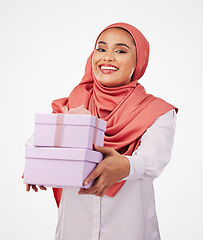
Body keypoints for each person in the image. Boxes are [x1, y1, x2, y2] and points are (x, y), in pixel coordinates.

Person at [26, 23, 177, 240]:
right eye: (101, 48)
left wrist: (125, 165)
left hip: (128, 229)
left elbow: (152, 160)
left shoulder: (156, 111)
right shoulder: (71, 105)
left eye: (121, 51)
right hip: (74, 229)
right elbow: (37, 142)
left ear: (139, 61)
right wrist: (38, 163)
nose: (107, 57)